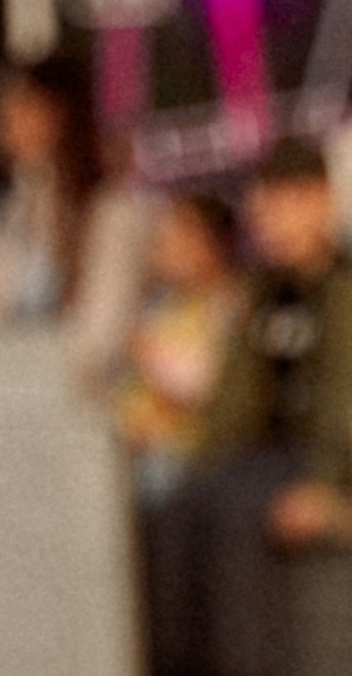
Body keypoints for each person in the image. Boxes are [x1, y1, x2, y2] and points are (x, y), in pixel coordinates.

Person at [142, 135, 352, 676]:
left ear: (322, 203)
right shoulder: (259, 295)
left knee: (235, 514)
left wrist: (325, 485)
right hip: (262, 459)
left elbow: (350, 403)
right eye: (262, 206)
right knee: (176, 508)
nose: (267, 220)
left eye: (282, 204)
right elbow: (232, 399)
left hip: (321, 463)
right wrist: (198, 458)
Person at [0, 53, 146, 364]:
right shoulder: (7, 208)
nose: (6, 123)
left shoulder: (110, 211)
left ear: (62, 113)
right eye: (2, 110)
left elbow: (103, 331)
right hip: (11, 386)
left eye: (24, 107)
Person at [106, 185, 247, 497]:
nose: (163, 250)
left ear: (212, 244)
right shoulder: (163, 306)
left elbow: (206, 383)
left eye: (177, 239)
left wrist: (151, 357)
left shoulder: (228, 305)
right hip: (133, 449)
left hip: (186, 455)